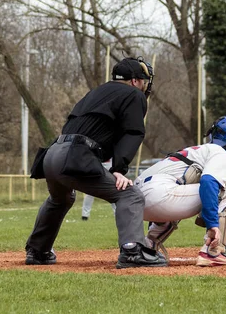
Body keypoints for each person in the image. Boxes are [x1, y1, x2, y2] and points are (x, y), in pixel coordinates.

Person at [25, 56, 167, 269]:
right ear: (135, 81)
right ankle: (132, 250)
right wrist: (119, 169)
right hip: (75, 153)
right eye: (144, 81)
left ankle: (38, 250)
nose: (145, 86)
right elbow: (133, 132)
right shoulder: (133, 94)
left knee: (60, 199)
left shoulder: (96, 93)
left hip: (53, 153)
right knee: (129, 194)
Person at [134, 116, 226, 267]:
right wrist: (212, 225)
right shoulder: (222, 154)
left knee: (185, 187)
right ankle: (214, 251)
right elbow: (209, 182)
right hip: (160, 196)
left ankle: (147, 247)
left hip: (136, 201)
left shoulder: (205, 151)